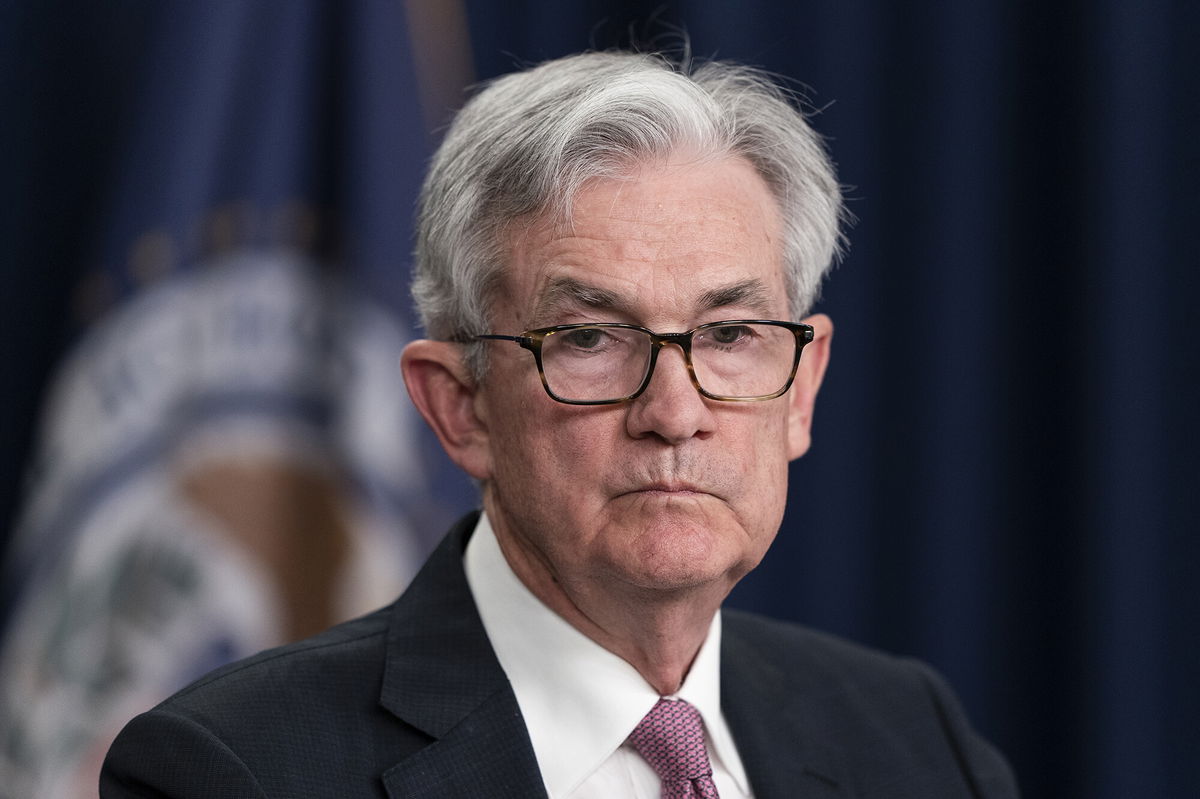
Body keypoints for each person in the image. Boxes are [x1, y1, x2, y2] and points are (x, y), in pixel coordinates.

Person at [101, 50, 1019, 798]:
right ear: (459, 406)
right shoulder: (234, 772)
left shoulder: (912, 739)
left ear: (802, 389)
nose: (675, 413)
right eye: (589, 338)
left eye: (731, 333)